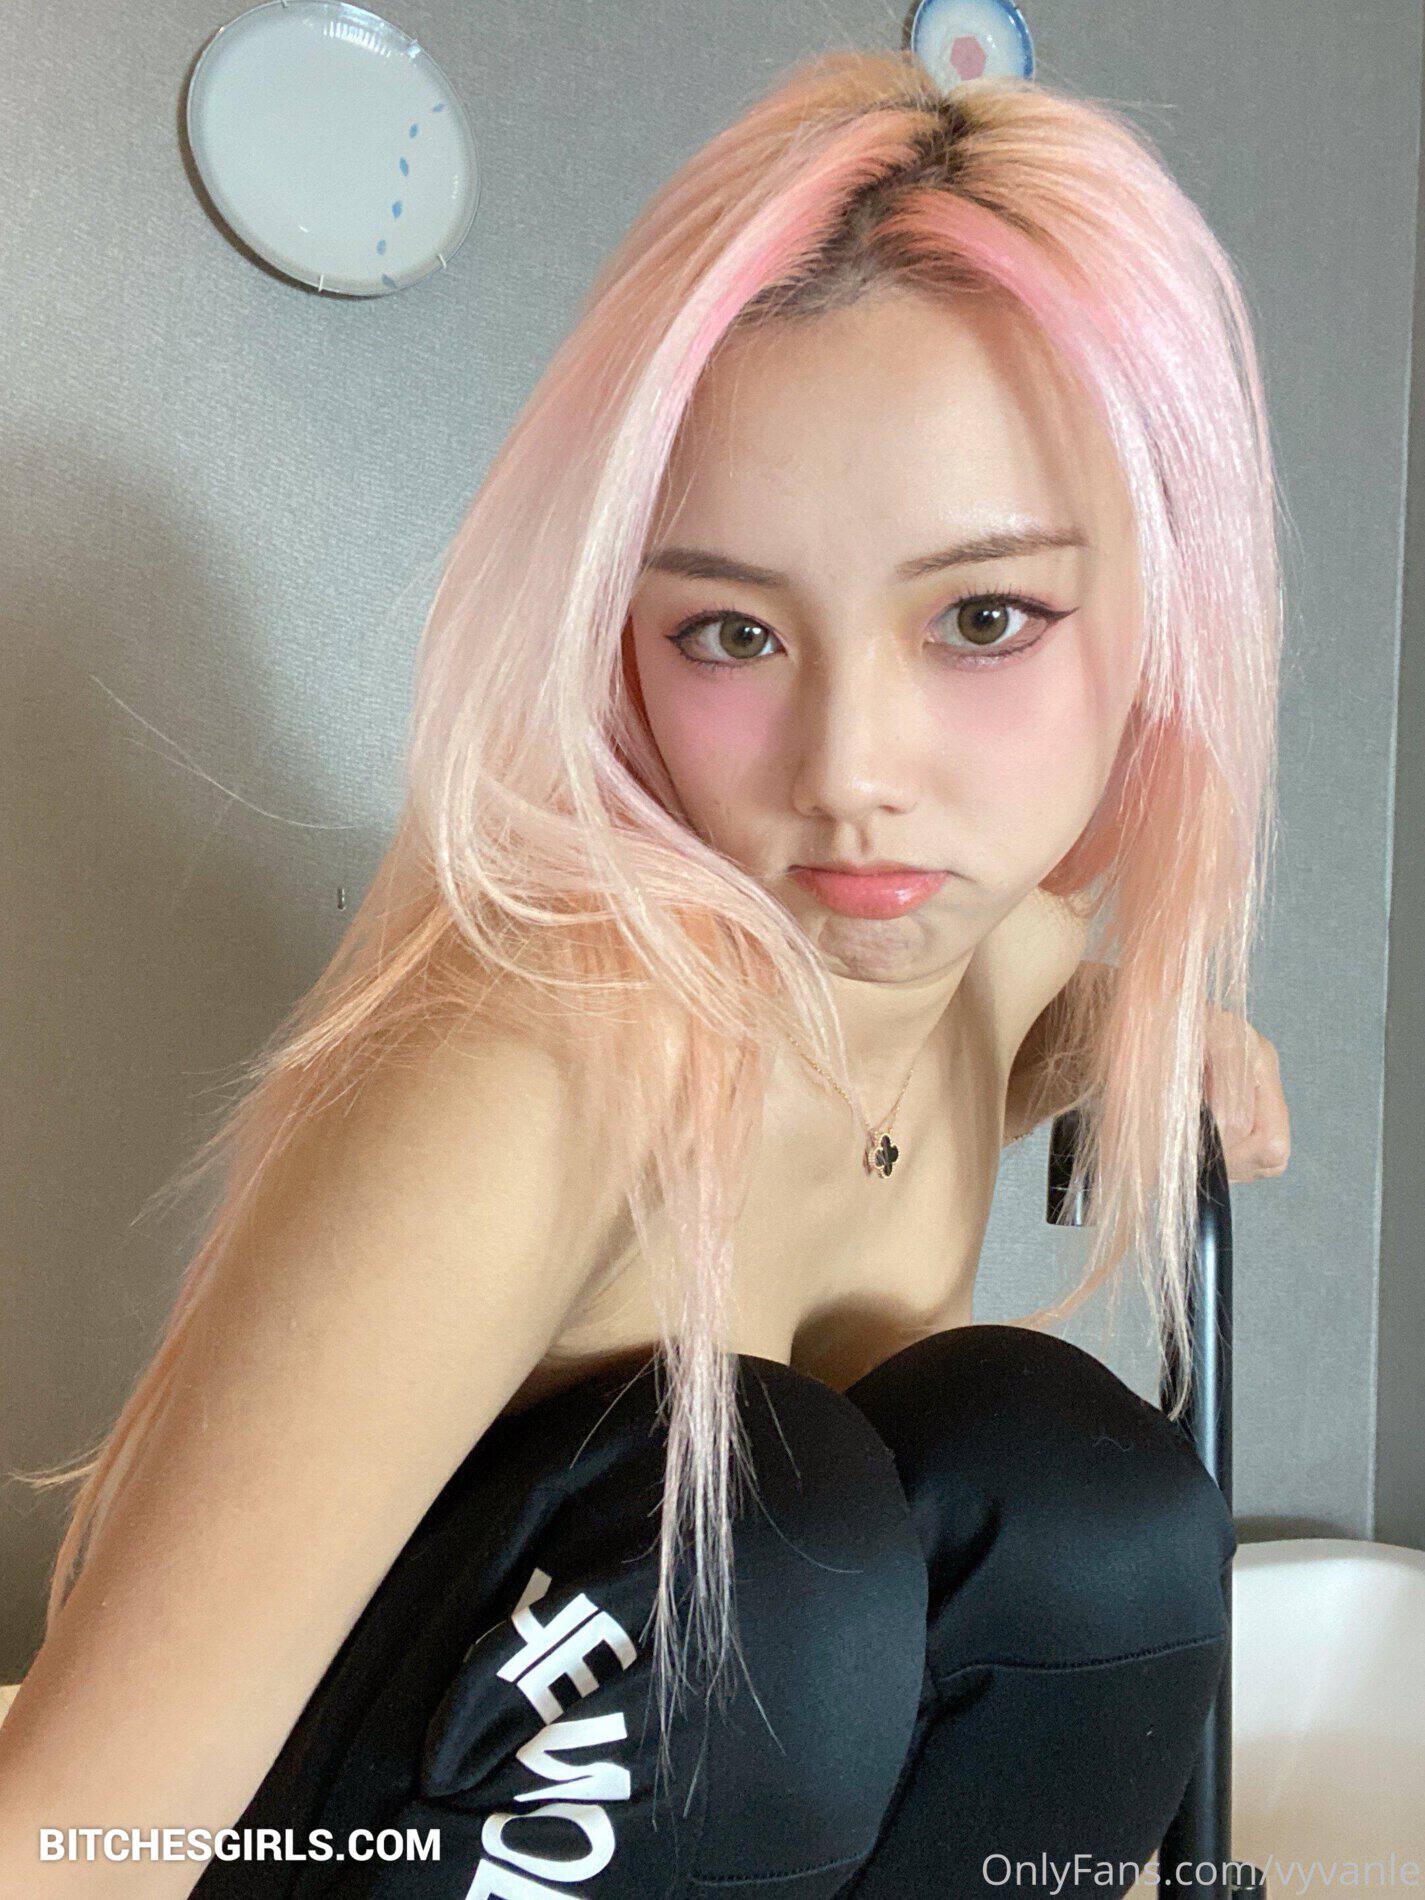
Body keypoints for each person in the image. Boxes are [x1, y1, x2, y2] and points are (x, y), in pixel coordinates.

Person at [0, 47, 1291, 1898]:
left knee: (1082, 1507)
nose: (850, 770)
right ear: (617, 628)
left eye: (982, 616)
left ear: (1165, 608)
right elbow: (77, 1834)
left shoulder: (976, 949)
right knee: (768, 1555)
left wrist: (1151, 1029)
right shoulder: (536, 1067)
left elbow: (1006, 1023)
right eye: (731, 633)